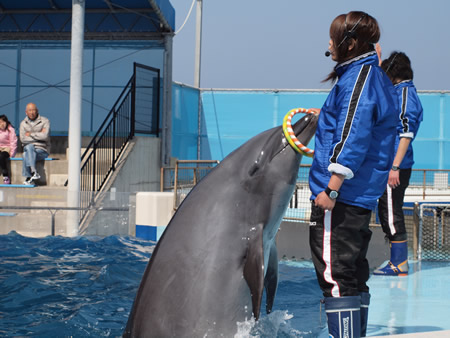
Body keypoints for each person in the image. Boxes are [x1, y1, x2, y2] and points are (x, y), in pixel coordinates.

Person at [308, 11, 398, 338]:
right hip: (359, 196)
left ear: (350, 43)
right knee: (353, 274)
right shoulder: (372, 77)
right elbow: (360, 125)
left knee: (336, 276)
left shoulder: (358, 80)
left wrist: (331, 190)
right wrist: (325, 115)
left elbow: (353, 138)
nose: (329, 43)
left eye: (334, 37)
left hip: (341, 196)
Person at [373, 52, 423, 276]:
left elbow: (406, 134)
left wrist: (394, 167)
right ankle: (396, 260)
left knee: (392, 212)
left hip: (396, 166)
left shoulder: (405, 95)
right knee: (385, 210)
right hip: (390, 164)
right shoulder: (399, 91)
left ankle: (399, 263)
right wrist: (377, 61)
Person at [19, 102, 50, 185]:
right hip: (29, 148)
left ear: (37, 111)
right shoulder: (23, 123)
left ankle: (29, 177)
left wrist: (30, 134)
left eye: (33, 110)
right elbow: (23, 139)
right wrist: (38, 135)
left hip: (42, 149)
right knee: (29, 147)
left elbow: (45, 136)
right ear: (26, 112)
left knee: (25, 154)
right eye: (29, 110)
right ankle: (34, 172)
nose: (31, 112)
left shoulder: (45, 121)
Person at [0, 115, 18, 184]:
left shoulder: (10, 129)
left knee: (1, 156)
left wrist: (12, 154)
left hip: (7, 148)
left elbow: (13, 142)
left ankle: (5, 176)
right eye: (0, 122)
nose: (2, 124)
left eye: (3, 121)